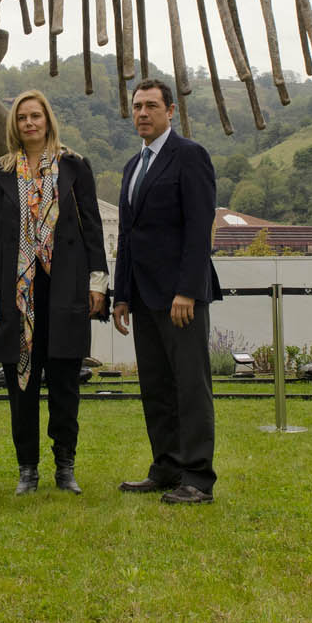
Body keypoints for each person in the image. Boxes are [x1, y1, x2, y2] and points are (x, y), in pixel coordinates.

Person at [0, 90, 107, 495]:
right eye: (22, 118)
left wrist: (97, 282)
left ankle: (65, 467)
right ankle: (27, 470)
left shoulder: (75, 166)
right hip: (16, 294)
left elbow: (92, 226)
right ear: (14, 125)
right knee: (22, 385)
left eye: (36, 116)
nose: (29, 123)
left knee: (66, 384)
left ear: (48, 119)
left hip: (64, 289)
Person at [112, 78, 220, 505]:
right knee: (156, 387)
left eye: (151, 106)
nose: (142, 113)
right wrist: (122, 295)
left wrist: (187, 291)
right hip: (143, 297)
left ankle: (197, 479)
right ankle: (166, 467)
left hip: (180, 299)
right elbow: (127, 236)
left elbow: (199, 228)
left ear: (170, 111)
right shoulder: (132, 166)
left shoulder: (189, 156)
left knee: (190, 387)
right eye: (137, 106)